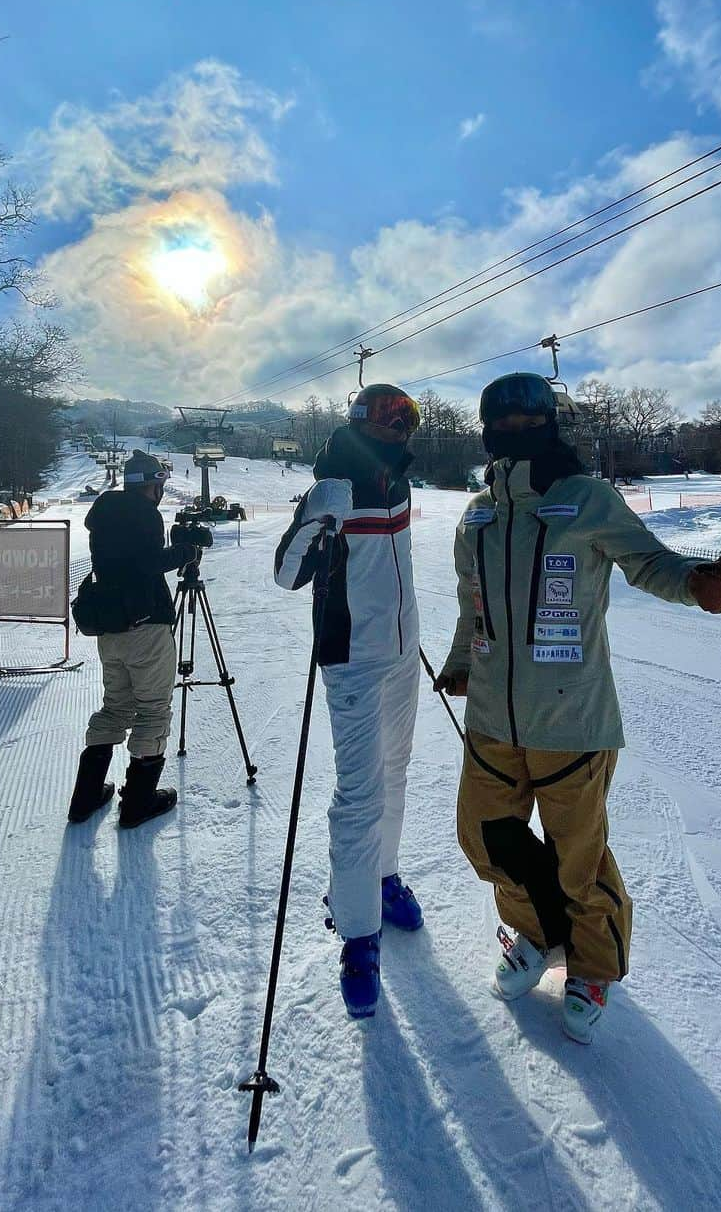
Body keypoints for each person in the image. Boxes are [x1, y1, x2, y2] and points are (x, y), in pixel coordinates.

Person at [434, 373, 721, 1045]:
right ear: (486, 429)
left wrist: (701, 585)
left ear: (550, 423)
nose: (516, 431)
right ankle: (538, 932)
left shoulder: (586, 500)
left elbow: (649, 564)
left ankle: (593, 965)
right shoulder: (477, 516)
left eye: (530, 419)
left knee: (578, 855)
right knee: (488, 838)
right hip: (491, 717)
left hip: (572, 719)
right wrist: (463, 661)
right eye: (503, 421)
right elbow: (474, 605)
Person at [274, 384, 423, 1019]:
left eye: (407, 420)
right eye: (389, 419)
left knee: (396, 774)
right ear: (361, 423)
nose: (399, 430)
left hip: (402, 651)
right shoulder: (333, 486)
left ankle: (383, 879)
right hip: (354, 661)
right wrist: (315, 519)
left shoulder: (400, 483)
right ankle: (359, 936)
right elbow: (285, 573)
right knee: (360, 797)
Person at [67, 450, 211, 828]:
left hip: (110, 628)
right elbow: (146, 564)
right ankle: (137, 804)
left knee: (115, 706)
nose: (160, 492)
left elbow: (129, 562)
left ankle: (84, 799)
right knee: (151, 710)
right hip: (145, 627)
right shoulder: (143, 513)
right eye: (159, 484)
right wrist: (186, 552)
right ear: (152, 485)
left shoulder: (105, 514)